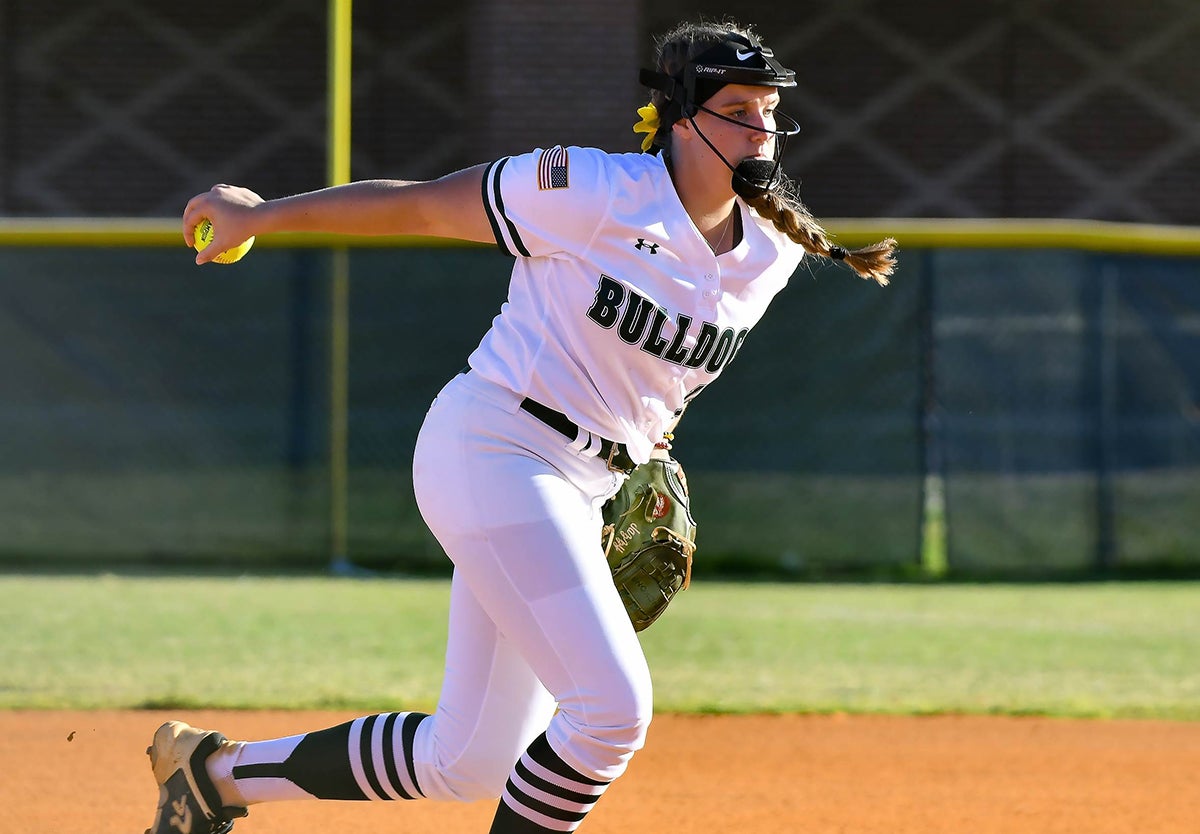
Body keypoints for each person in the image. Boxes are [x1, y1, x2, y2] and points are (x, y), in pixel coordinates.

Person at [145, 17, 896, 834]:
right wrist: (261, 213)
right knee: (612, 711)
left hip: (582, 488)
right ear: (683, 118)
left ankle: (210, 776)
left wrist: (648, 448)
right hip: (496, 448)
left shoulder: (771, 252)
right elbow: (426, 208)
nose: (763, 128)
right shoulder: (594, 191)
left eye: (770, 110)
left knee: (468, 758)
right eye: (740, 109)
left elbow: (663, 367)